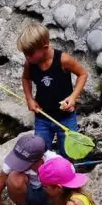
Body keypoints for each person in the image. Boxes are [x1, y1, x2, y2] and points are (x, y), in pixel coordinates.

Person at [17, 21, 89, 157]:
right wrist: (29, 99)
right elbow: (26, 79)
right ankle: (46, 174)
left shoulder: (63, 60)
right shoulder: (30, 64)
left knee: (68, 152)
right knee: (41, 152)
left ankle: (67, 173)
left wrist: (73, 97)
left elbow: (83, 74)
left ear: (44, 48)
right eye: (25, 53)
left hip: (66, 117)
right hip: (43, 116)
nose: (27, 57)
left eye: (30, 53)